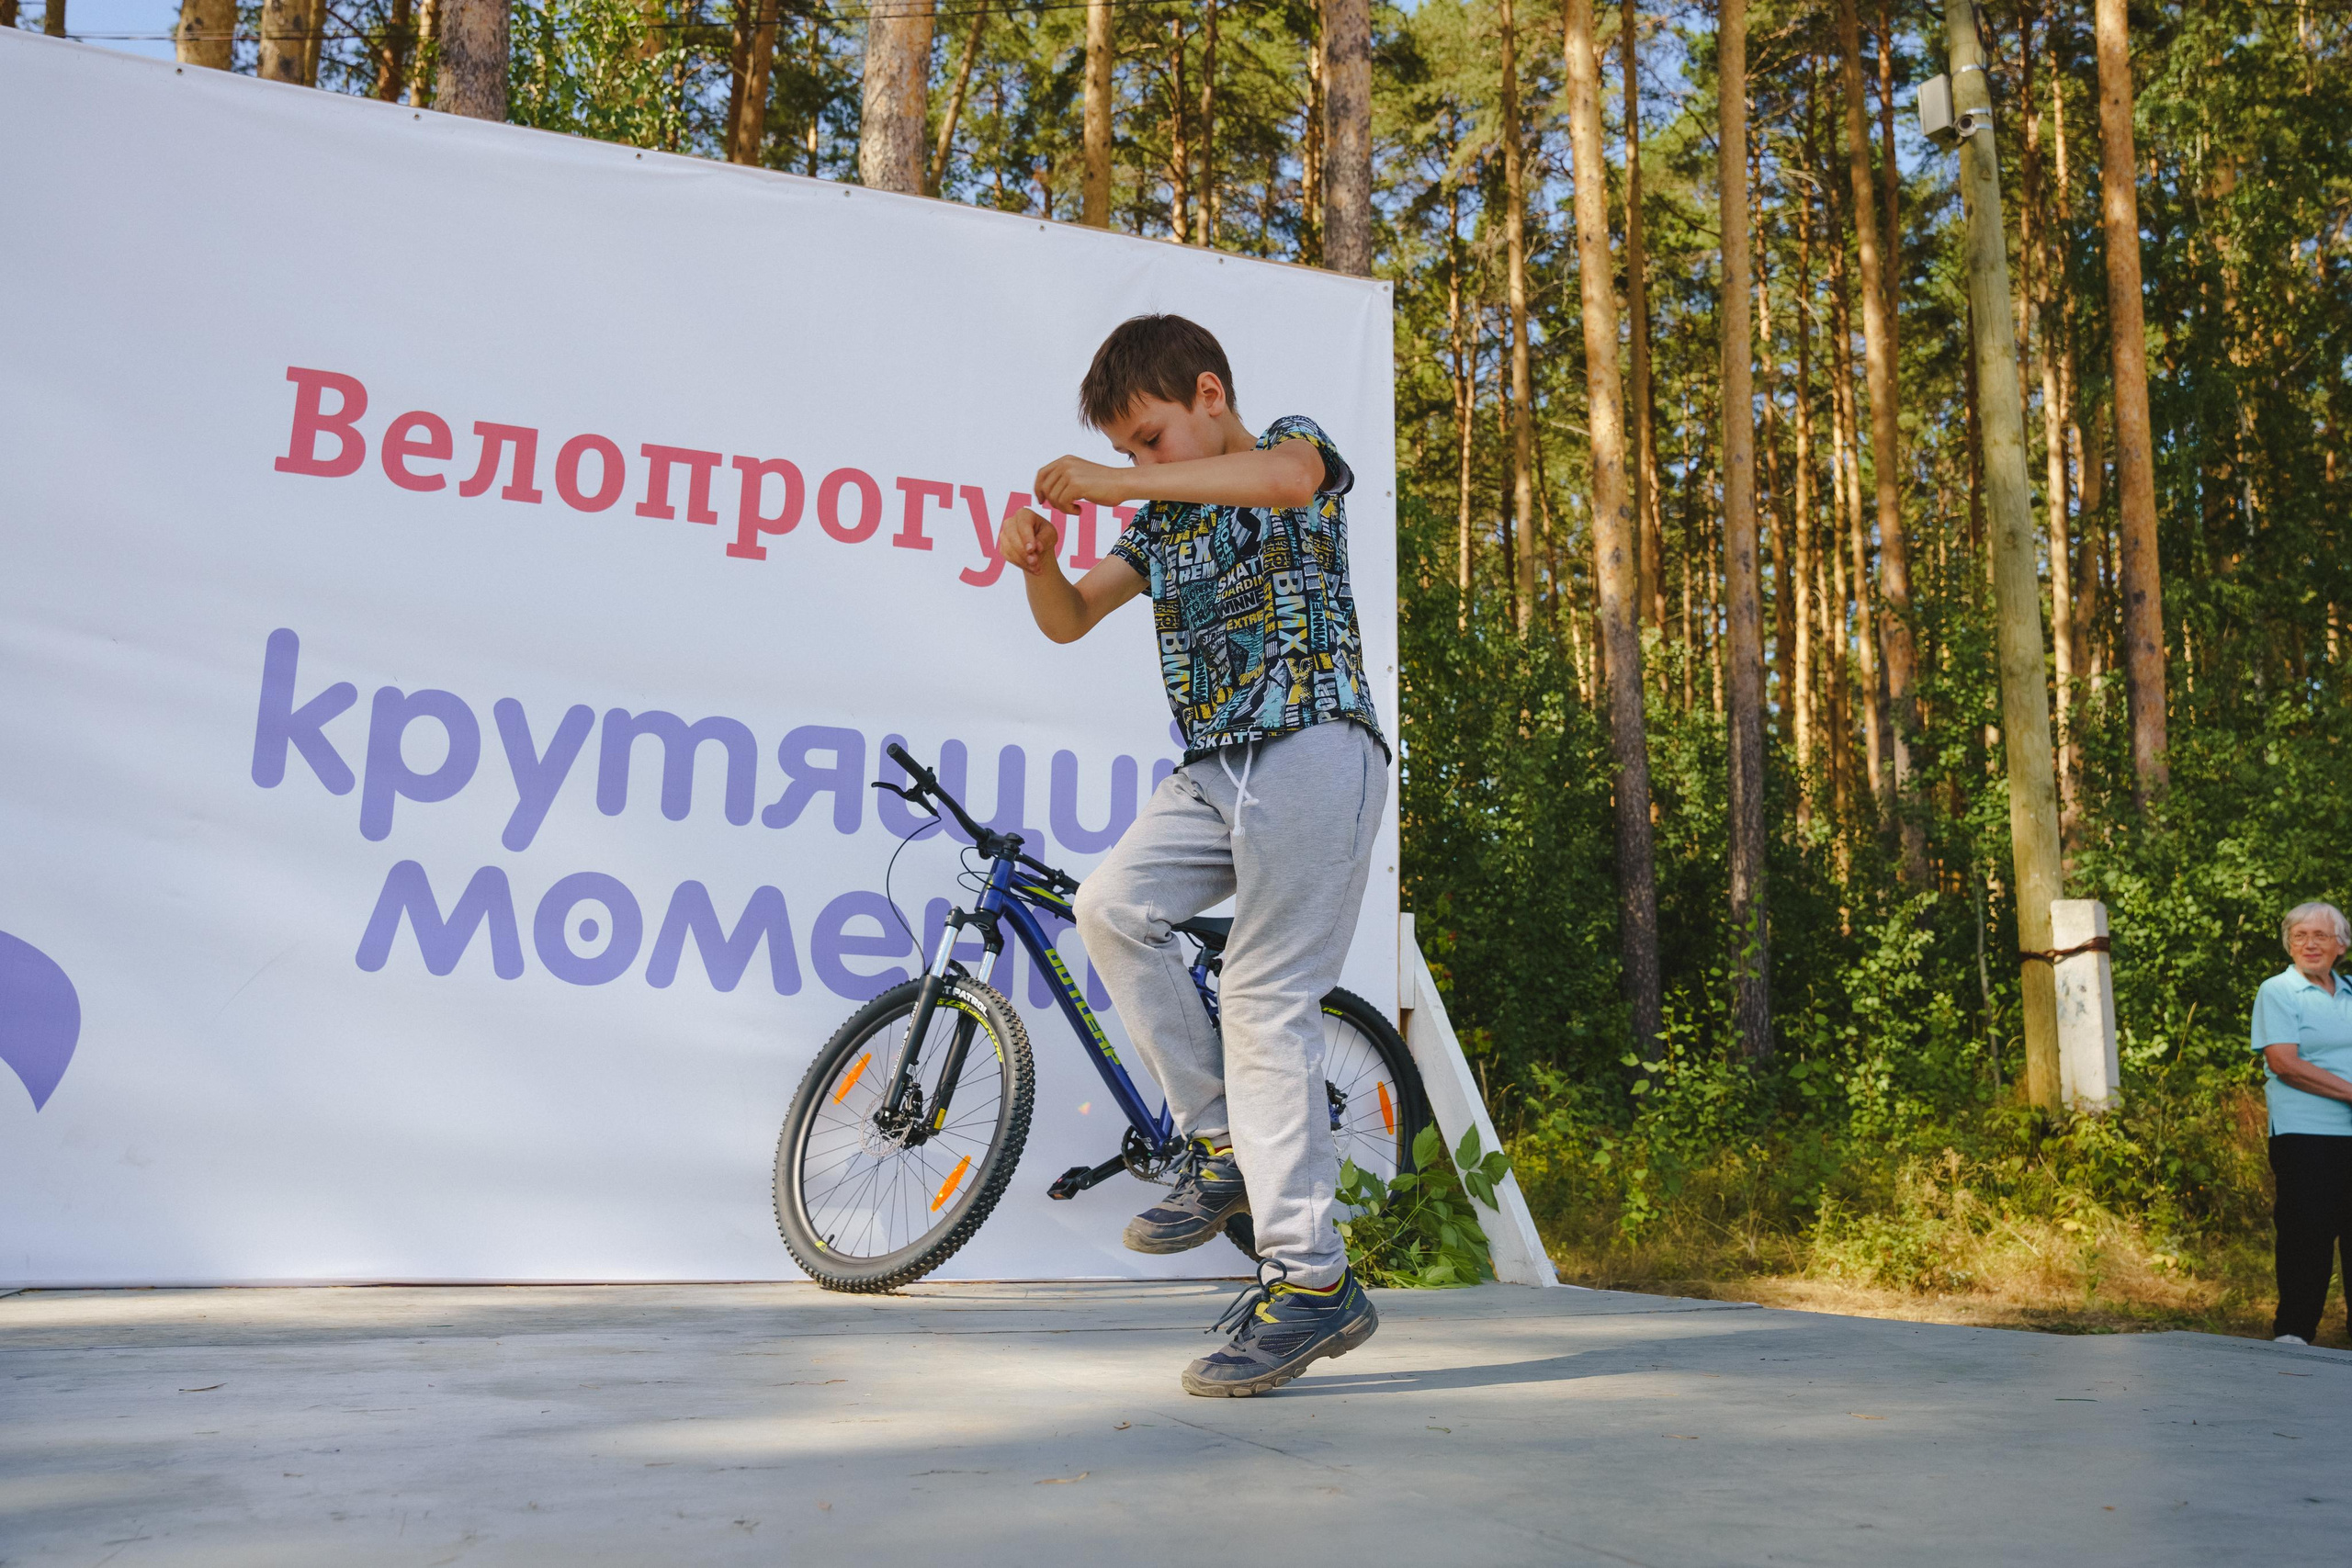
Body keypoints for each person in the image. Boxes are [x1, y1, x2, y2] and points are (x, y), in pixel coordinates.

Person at [997, 313, 1389, 1397]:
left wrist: (1111, 482)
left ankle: (1311, 1281)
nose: (1138, 467)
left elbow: (1289, 481)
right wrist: (1037, 563)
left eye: (1150, 439)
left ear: (1209, 395)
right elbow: (1069, 618)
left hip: (1313, 744)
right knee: (1109, 906)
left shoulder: (1291, 448)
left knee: (1263, 1000)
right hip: (1216, 771)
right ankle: (1217, 1144)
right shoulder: (1163, 521)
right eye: (1123, 453)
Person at [2251, 900, 2352, 1346]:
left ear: (2341, 946)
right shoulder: (2278, 991)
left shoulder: (2350, 993)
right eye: (2300, 936)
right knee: (2306, 1233)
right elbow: (2284, 1063)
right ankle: (2294, 1332)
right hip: (2305, 1134)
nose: (2310, 944)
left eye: (2320, 936)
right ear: (2289, 945)